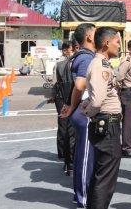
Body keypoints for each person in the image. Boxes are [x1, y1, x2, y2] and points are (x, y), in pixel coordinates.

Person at [82, 27, 123, 209]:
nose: (119, 47)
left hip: (106, 123)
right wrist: (90, 113)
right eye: (117, 42)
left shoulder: (102, 63)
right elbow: (98, 100)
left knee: (101, 175)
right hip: (107, 125)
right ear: (106, 43)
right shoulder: (101, 65)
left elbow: (94, 96)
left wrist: (89, 107)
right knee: (105, 179)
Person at [59, 23, 97, 208]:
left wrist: (70, 105)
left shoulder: (84, 57)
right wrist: (72, 106)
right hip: (85, 112)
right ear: (89, 37)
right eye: (96, 33)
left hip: (81, 111)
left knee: (84, 155)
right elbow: (80, 85)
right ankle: (83, 198)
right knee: (85, 158)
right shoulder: (86, 58)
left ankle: (81, 194)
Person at [53, 41, 75, 176]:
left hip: (65, 99)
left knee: (67, 130)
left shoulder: (66, 63)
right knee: (66, 129)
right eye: (73, 49)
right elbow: (56, 83)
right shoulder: (62, 64)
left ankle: (68, 160)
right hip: (65, 99)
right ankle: (66, 159)